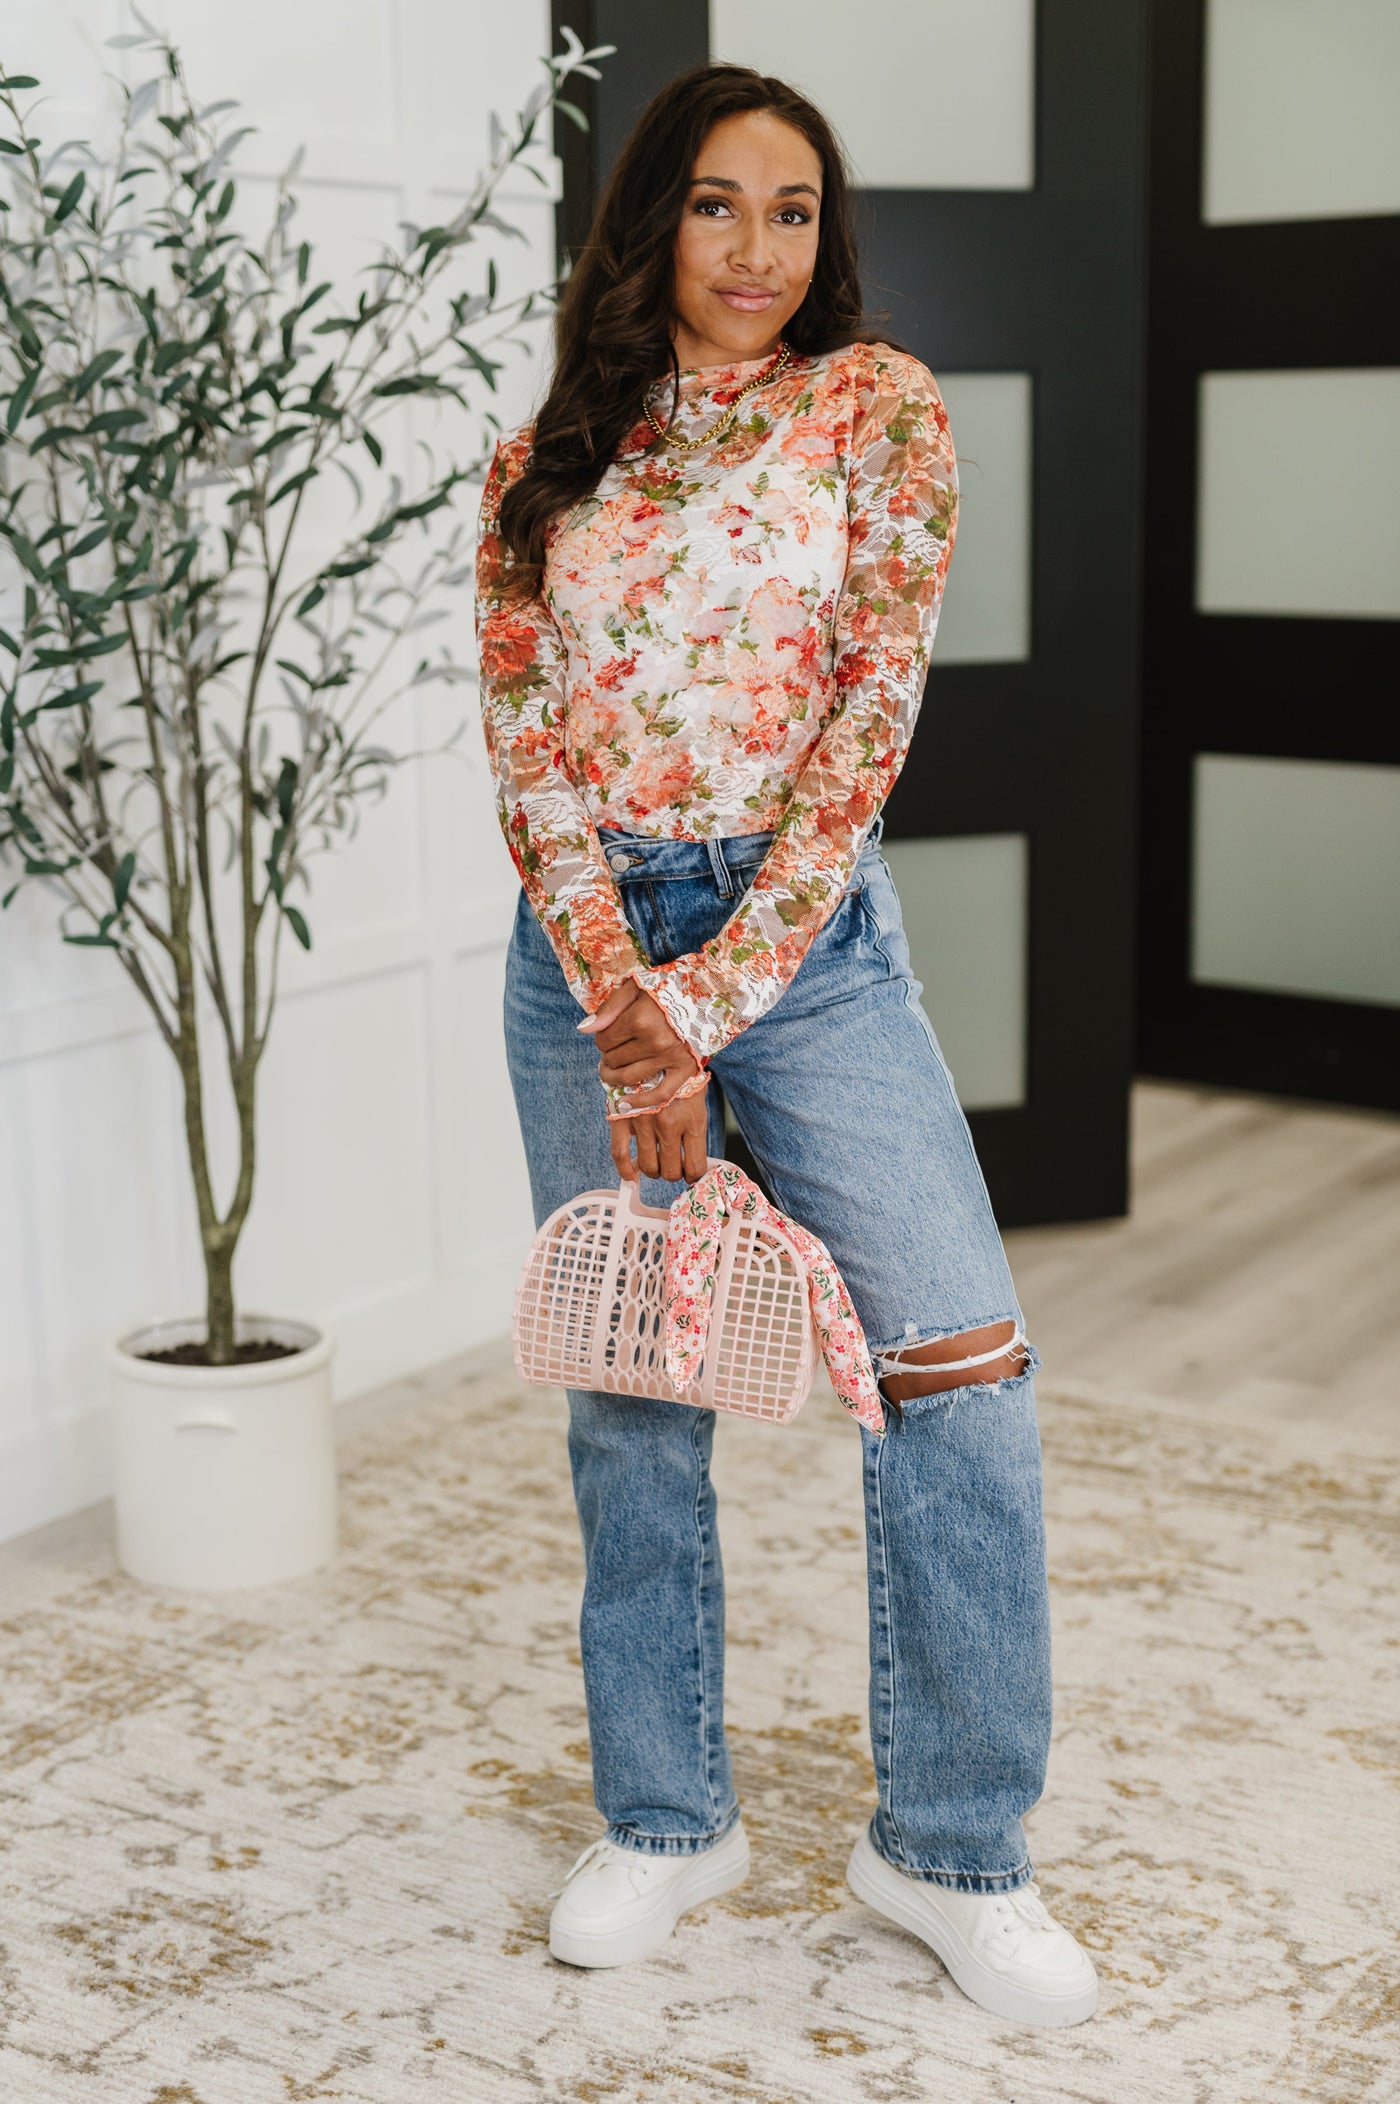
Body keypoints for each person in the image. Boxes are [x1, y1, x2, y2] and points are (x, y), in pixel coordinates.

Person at [475, 62, 1099, 2030]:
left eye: (795, 211)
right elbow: (531, 761)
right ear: (651, 216)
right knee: (633, 1381)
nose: (757, 249)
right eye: (719, 205)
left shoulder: (881, 416)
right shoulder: (537, 463)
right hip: (586, 952)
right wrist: (619, 1000)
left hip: (809, 939)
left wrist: (707, 1007)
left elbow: (861, 735)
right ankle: (669, 1815)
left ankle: (949, 1840)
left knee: (960, 1365)